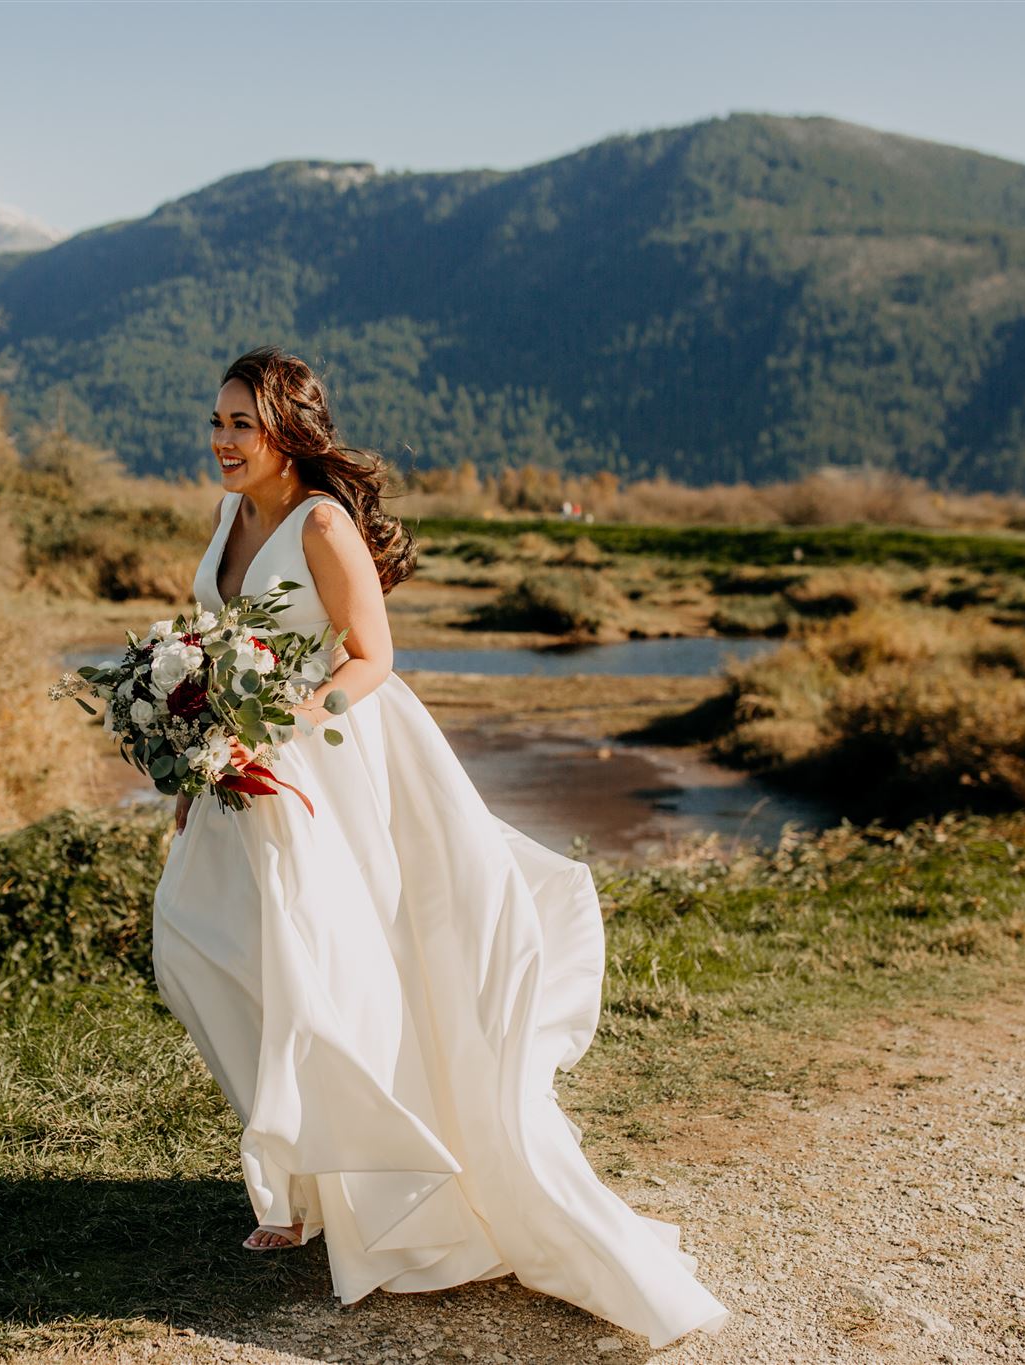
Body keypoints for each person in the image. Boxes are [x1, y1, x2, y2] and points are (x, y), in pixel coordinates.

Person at [150, 345, 731, 1349]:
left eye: (240, 423)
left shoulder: (320, 524)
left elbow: (371, 659)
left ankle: (330, 1193)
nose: (220, 440)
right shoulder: (223, 520)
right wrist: (197, 745)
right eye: (215, 422)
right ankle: (297, 1164)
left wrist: (286, 713)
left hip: (324, 765)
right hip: (239, 776)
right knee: (196, 947)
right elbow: (211, 648)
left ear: (287, 429)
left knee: (324, 970)